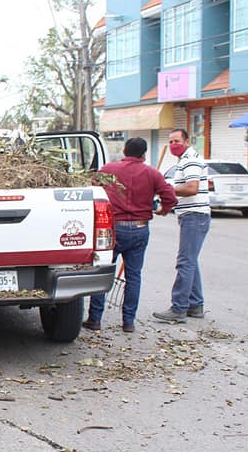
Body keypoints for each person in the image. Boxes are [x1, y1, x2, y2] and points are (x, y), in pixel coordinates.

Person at [82, 137, 177, 333]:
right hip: (140, 229)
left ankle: (95, 319)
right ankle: (128, 322)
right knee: (134, 276)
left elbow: (92, 189)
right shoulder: (152, 173)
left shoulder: (108, 170)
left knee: (102, 271)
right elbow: (170, 197)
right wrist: (163, 210)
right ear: (143, 154)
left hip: (112, 229)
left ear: (124, 150)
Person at [153, 128, 211, 323]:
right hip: (190, 215)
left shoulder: (191, 160)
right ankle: (195, 305)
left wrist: (167, 190)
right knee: (191, 261)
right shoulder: (183, 161)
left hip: (195, 216)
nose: (172, 145)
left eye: (176, 141)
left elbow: (191, 188)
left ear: (187, 141)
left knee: (185, 262)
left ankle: (178, 308)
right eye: (170, 142)